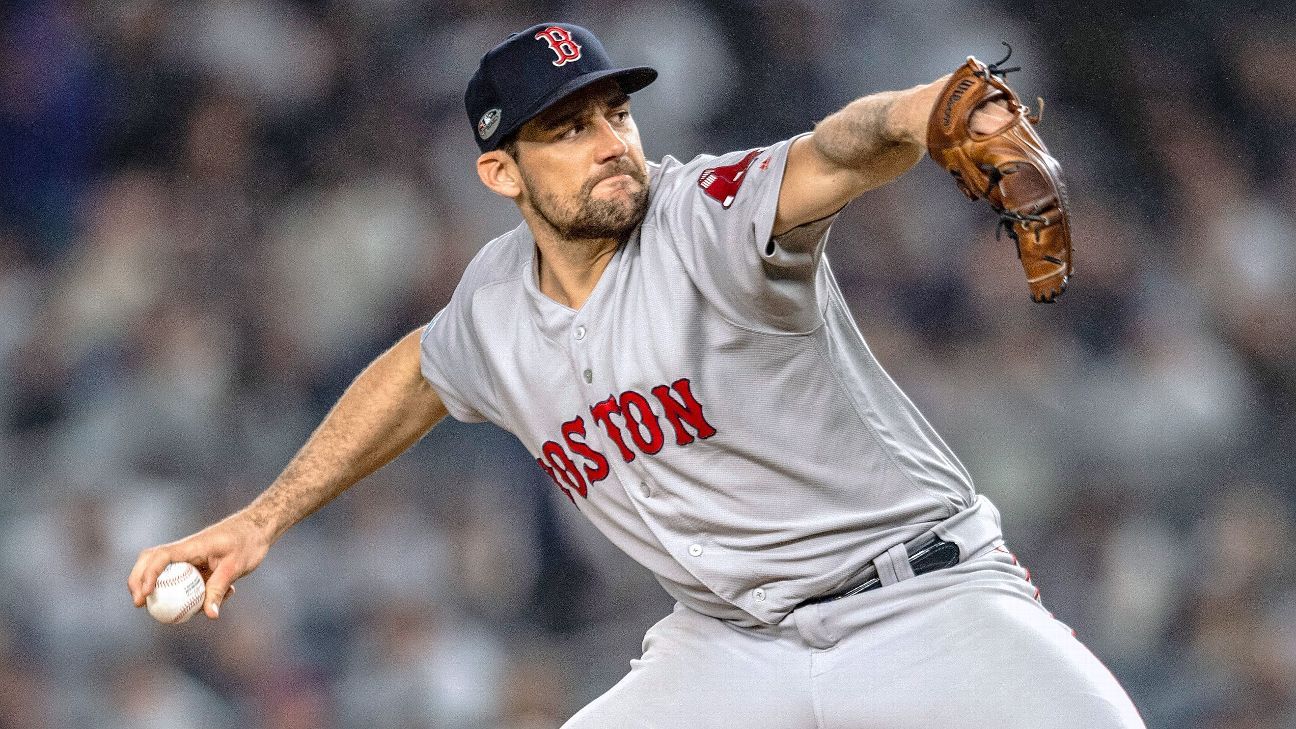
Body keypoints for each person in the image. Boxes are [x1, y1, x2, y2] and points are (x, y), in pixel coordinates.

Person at [128, 22, 1145, 728]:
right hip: (729, 649)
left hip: (919, 601)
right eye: (567, 129)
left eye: (616, 112)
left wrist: (929, 107)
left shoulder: (705, 214)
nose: (611, 142)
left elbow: (839, 148)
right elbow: (413, 374)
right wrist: (262, 518)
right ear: (500, 173)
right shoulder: (492, 304)